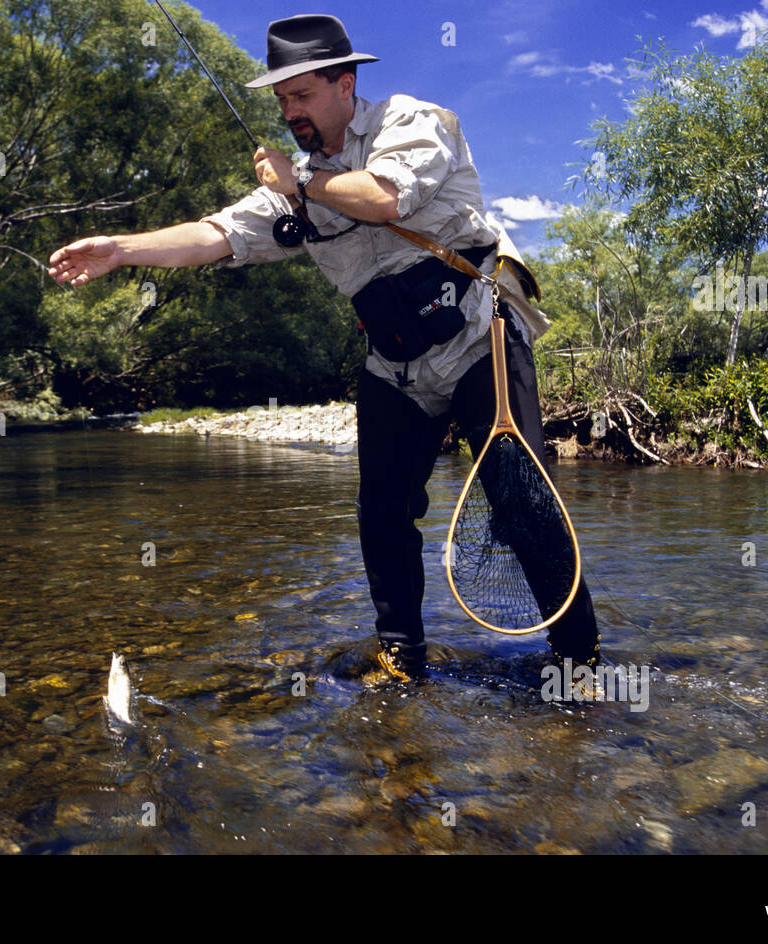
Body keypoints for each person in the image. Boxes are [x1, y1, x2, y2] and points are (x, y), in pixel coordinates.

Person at [48, 14, 599, 681]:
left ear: (345, 84)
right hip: (394, 368)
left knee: (521, 506)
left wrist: (298, 185)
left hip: (480, 337)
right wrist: (119, 251)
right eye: (281, 99)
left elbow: (385, 197)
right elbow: (212, 234)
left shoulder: (411, 122)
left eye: (301, 94)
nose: (289, 111)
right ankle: (402, 663)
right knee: (381, 517)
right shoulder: (292, 183)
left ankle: (582, 663)